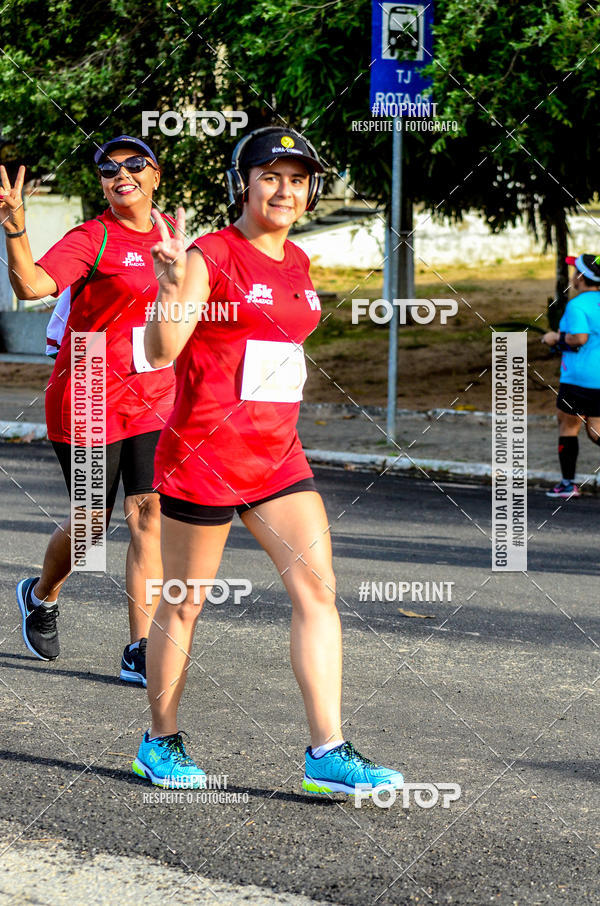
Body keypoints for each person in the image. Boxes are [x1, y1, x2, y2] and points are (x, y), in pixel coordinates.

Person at [132, 126, 404, 795]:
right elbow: (162, 351)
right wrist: (170, 288)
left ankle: (327, 751)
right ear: (244, 183)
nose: (285, 190)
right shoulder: (210, 254)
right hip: (205, 454)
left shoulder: (299, 262)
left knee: (318, 590)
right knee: (185, 602)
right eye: (271, 176)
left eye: (298, 179)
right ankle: (160, 741)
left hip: (278, 454)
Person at [0, 136, 176, 685]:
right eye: (108, 168)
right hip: (90, 388)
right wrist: (14, 229)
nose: (121, 174)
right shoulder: (93, 237)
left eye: (134, 164)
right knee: (92, 527)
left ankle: (140, 648)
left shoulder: (172, 231)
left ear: (155, 175)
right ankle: (40, 593)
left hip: (154, 394)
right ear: (101, 183)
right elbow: (32, 285)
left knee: (148, 514)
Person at [542, 253, 600, 498]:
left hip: (579, 378)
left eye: (575, 272)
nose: (572, 276)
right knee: (595, 430)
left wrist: (554, 339)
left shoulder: (577, 305)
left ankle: (567, 485)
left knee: (568, 425)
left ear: (581, 277)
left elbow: (579, 339)